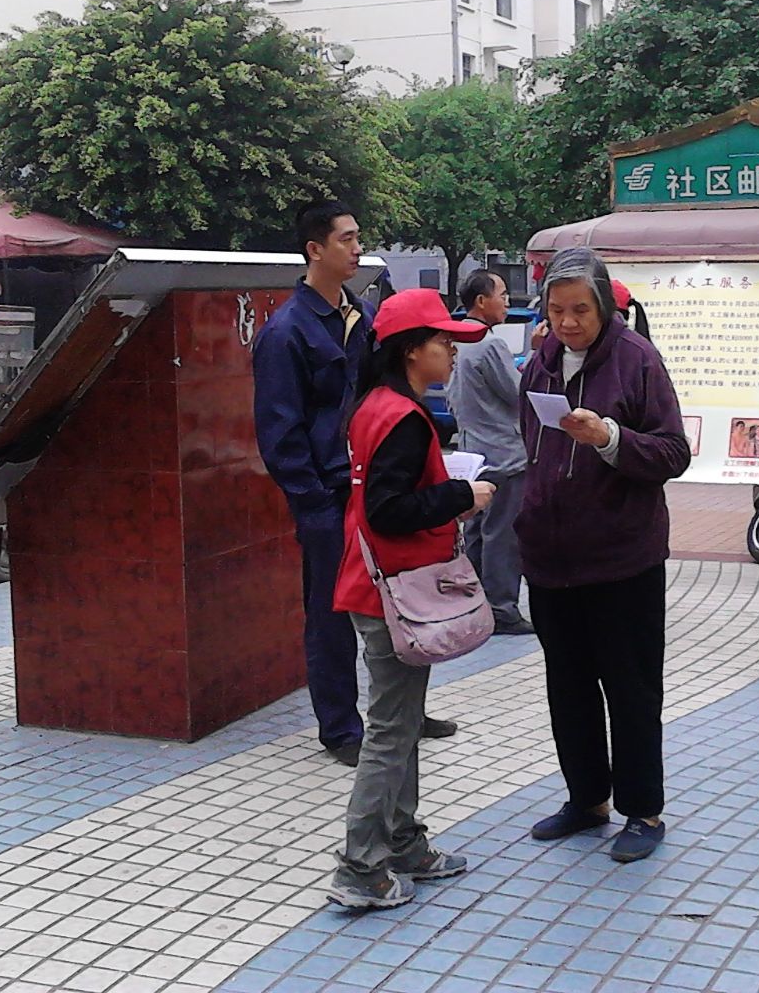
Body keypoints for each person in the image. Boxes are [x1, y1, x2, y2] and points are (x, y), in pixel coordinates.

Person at [253, 201, 457, 769]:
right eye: (345, 239)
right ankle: (340, 727)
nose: (357, 248)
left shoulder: (364, 317)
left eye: (357, 237)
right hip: (328, 495)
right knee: (330, 613)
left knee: (400, 596)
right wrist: (314, 504)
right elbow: (279, 433)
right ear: (314, 249)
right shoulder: (285, 333)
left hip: (376, 487)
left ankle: (405, 710)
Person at [517, 247, 691, 864]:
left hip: (622, 559)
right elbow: (532, 447)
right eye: (556, 310)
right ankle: (586, 798)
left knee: (631, 687)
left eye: (580, 310)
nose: (567, 323)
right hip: (551, 557)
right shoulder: (540, 363)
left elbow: (673, 452)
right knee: (568, 687)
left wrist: (610, 438)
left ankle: (643, 810)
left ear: (605, 307)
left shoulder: (636, 360)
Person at [327, 290, 494, 910]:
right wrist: (461, 495)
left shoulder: (374, 406)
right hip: (393, 591)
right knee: (391, 730)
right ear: (410, 350)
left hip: (373, 584)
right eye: (443, 342)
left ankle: (404, 843)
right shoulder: (403, 416)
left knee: (400, 724)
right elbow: (388, 510)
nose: (451, 352)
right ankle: (361, 867)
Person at [449, 269, 533, 634]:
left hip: (473, 452)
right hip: (503, 454)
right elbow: (518, 394)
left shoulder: (456, 341)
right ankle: (502, 608)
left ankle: (473, 603)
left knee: (477, 531)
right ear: (481, 301)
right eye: (502, 294)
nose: (507, 302)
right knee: (503, 534)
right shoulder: (489, 343)